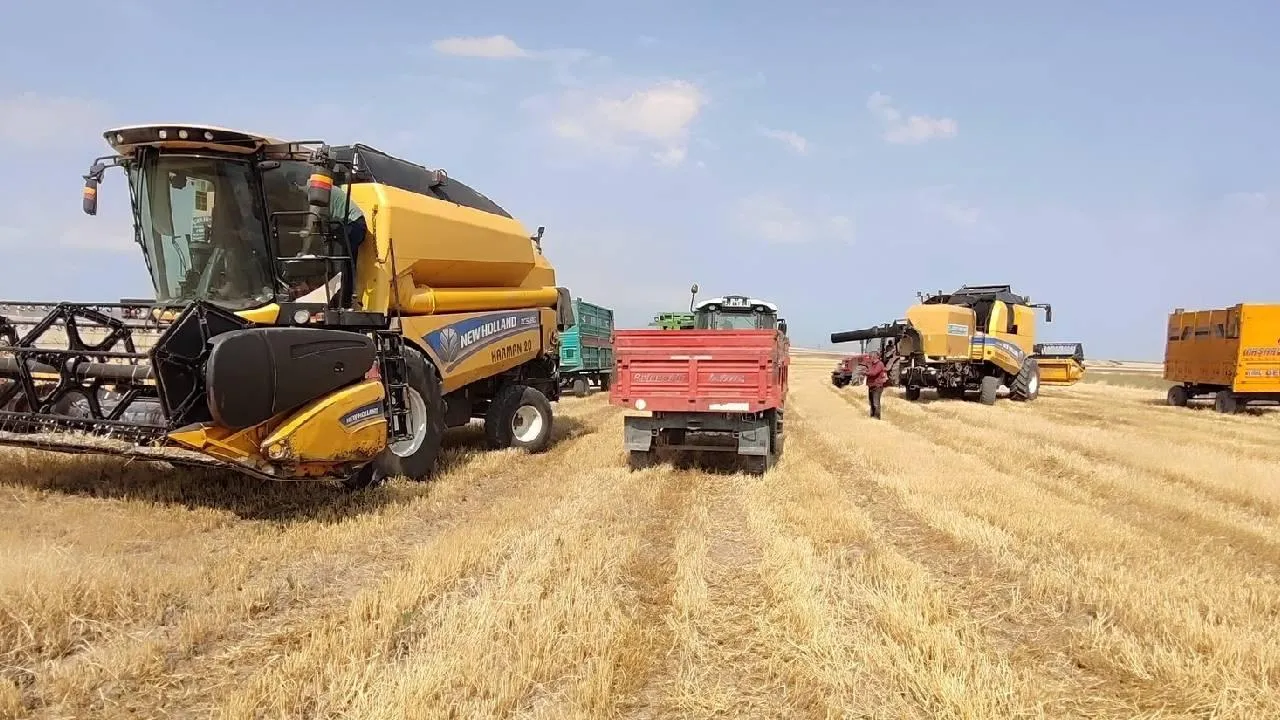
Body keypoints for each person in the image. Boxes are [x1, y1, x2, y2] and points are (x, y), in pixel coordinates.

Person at [859, 352, 889, 419]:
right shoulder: (872, 364)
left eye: (870, 357)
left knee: (876, 403)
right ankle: (872, 416)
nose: (869, 359)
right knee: (871, 403)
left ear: (874, 357)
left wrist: (865, 373)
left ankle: (877, 417)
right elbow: (870, 371)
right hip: (871, 385)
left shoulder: (879, 364)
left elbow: (874, 373)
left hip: (877, 386)